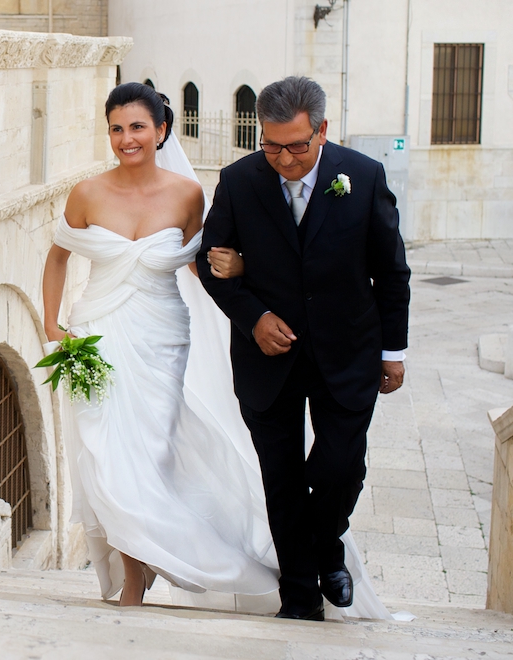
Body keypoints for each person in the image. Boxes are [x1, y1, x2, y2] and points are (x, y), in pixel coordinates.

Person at [43, 82, 280, 609]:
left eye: (137, 127)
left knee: (152, 454)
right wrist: (51, 325)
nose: (126, 138)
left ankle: (164, 555)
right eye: (116, 128)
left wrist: (240, 271)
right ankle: (134, 574)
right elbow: (57, 257)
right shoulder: (86, 193)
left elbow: (202, 262)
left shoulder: (188, 194)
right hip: (97, 335)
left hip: (161, 337)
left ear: (161, 131)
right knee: (107, 457)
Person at [197, 76, 411, 621]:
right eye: (272, 146)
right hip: (266, 358)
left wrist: (393, 351)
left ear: (322, 131)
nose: (285, 159)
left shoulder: (362, 177)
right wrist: (254, 317)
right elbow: (212, 262)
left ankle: (327, 545)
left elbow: (391, 272)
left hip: (348, 351)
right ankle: (298, 597)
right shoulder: (239, 180)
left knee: (342, 468)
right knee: (282, 478)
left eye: (296, 146)